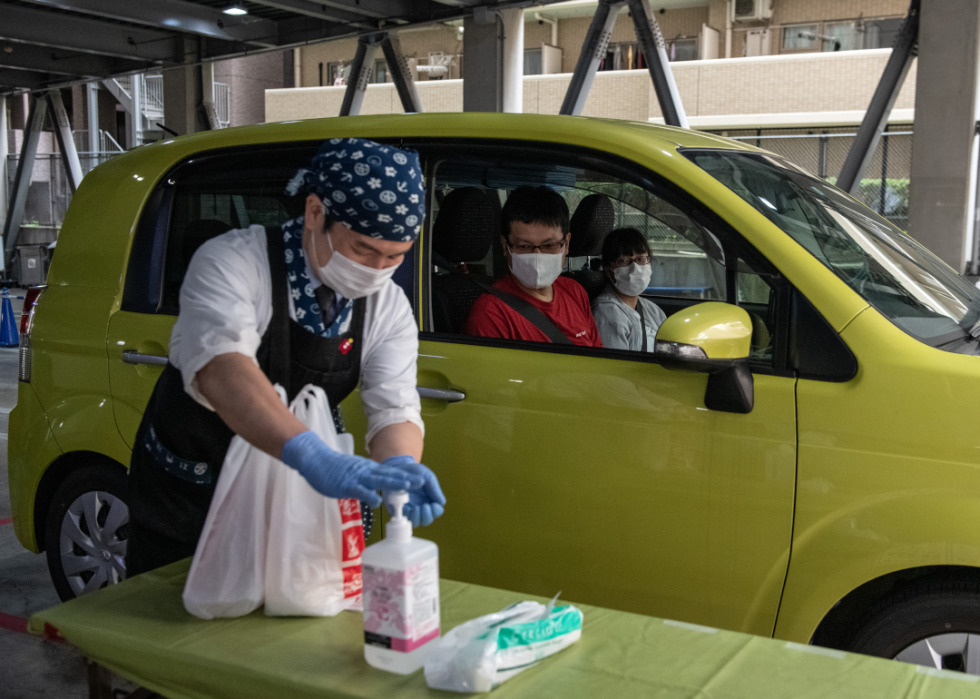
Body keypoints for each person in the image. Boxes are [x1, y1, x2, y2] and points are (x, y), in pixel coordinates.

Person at [126, 138, 446, 576]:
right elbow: (223, 368)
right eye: (362, 249)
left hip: (292, 500)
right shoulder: (233, 262)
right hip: (194, 489)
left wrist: (400, 467)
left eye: (394, 257)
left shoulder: (387, 305)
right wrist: (312, 455)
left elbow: (394, 405)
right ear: (315, 212)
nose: (376, 269)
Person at [465, 186, 602, 347]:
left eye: (549, 245)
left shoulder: (575, 291)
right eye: (523, 246)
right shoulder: (490, 314)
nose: (537, 256)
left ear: (566, 244)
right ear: (505, 246)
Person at [591, 227, 666, 352]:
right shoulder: (607, 312)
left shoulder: (651, 309)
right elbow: (616, 367)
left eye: (641, 259)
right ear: (608, 269)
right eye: (624, 261)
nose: (635, 268)